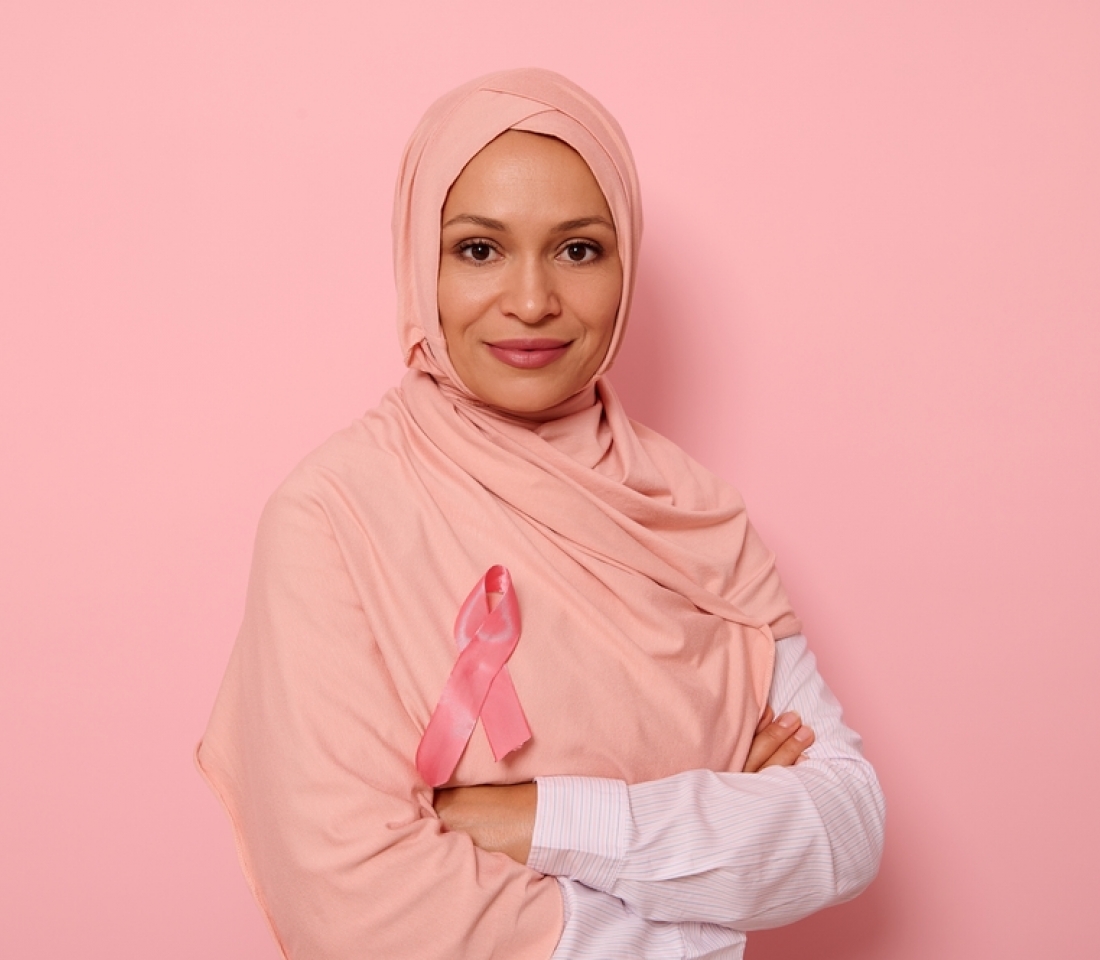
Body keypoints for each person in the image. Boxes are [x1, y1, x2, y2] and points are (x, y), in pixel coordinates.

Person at [197, 68, 885, 960]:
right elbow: (359, 909)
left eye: (579, 249)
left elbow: (843, 825)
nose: (531, 302)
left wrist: (532, 819)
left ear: (624, 264)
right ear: (421, 262)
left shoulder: (694, 519)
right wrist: (705, 910)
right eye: (480, 249)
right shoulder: (333, 515)